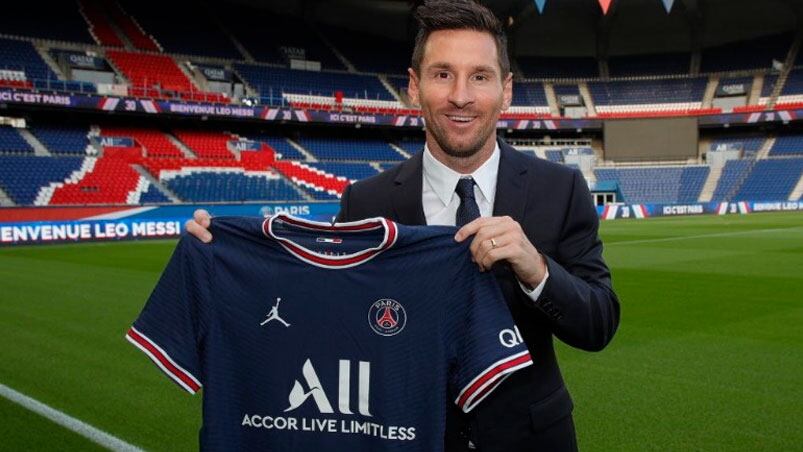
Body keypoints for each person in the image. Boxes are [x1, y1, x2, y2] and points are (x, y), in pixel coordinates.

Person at [186, 1, 620, 450]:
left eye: (480, 76)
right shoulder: (365, 202)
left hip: (532, 440)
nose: (461, 96)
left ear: (506, 90)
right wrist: (224, 264)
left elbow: (599, 323)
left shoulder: (560, 189)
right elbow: (324, 317)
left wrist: (537, 271)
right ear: (414, 87)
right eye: (442, 74)